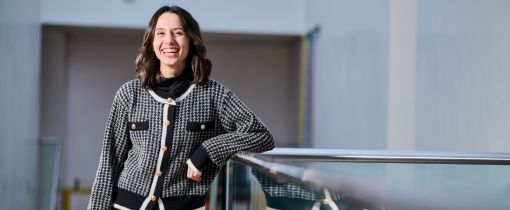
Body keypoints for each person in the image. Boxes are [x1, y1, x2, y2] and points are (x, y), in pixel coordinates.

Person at [87, 5, 274, 210]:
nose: (169, 41)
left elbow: (261, 135)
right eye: (161, 33)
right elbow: (109, 162)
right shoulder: (129, 94)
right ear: (151, 41)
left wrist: (207, 151)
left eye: (178, 33)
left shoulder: (214, 94)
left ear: (191, 40)